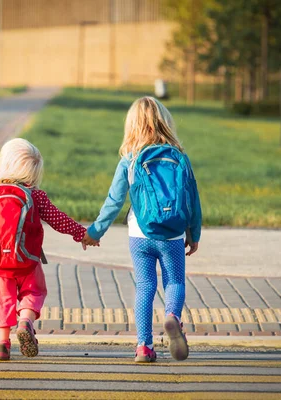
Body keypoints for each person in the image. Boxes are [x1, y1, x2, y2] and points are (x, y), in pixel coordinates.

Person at [0, 138, 87, 361]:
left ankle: (1, 345)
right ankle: (25, 321)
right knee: (34, 292)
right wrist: (82, 234)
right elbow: (59, 220)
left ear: (4, 164)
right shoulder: (36, 196)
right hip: (28, 261)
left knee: (1, 300)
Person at [82, 96, 202, 363]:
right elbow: (192, 199)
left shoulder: (130, 159)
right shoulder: (180, 157)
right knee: (175, 281)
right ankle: (172, 317)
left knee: (145, 286)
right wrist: (194, 233)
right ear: (165, 123)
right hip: (172, 234)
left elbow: (114, 202)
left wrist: (95, 231)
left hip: (140, 234)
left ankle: (144, 347)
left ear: (132, 126)